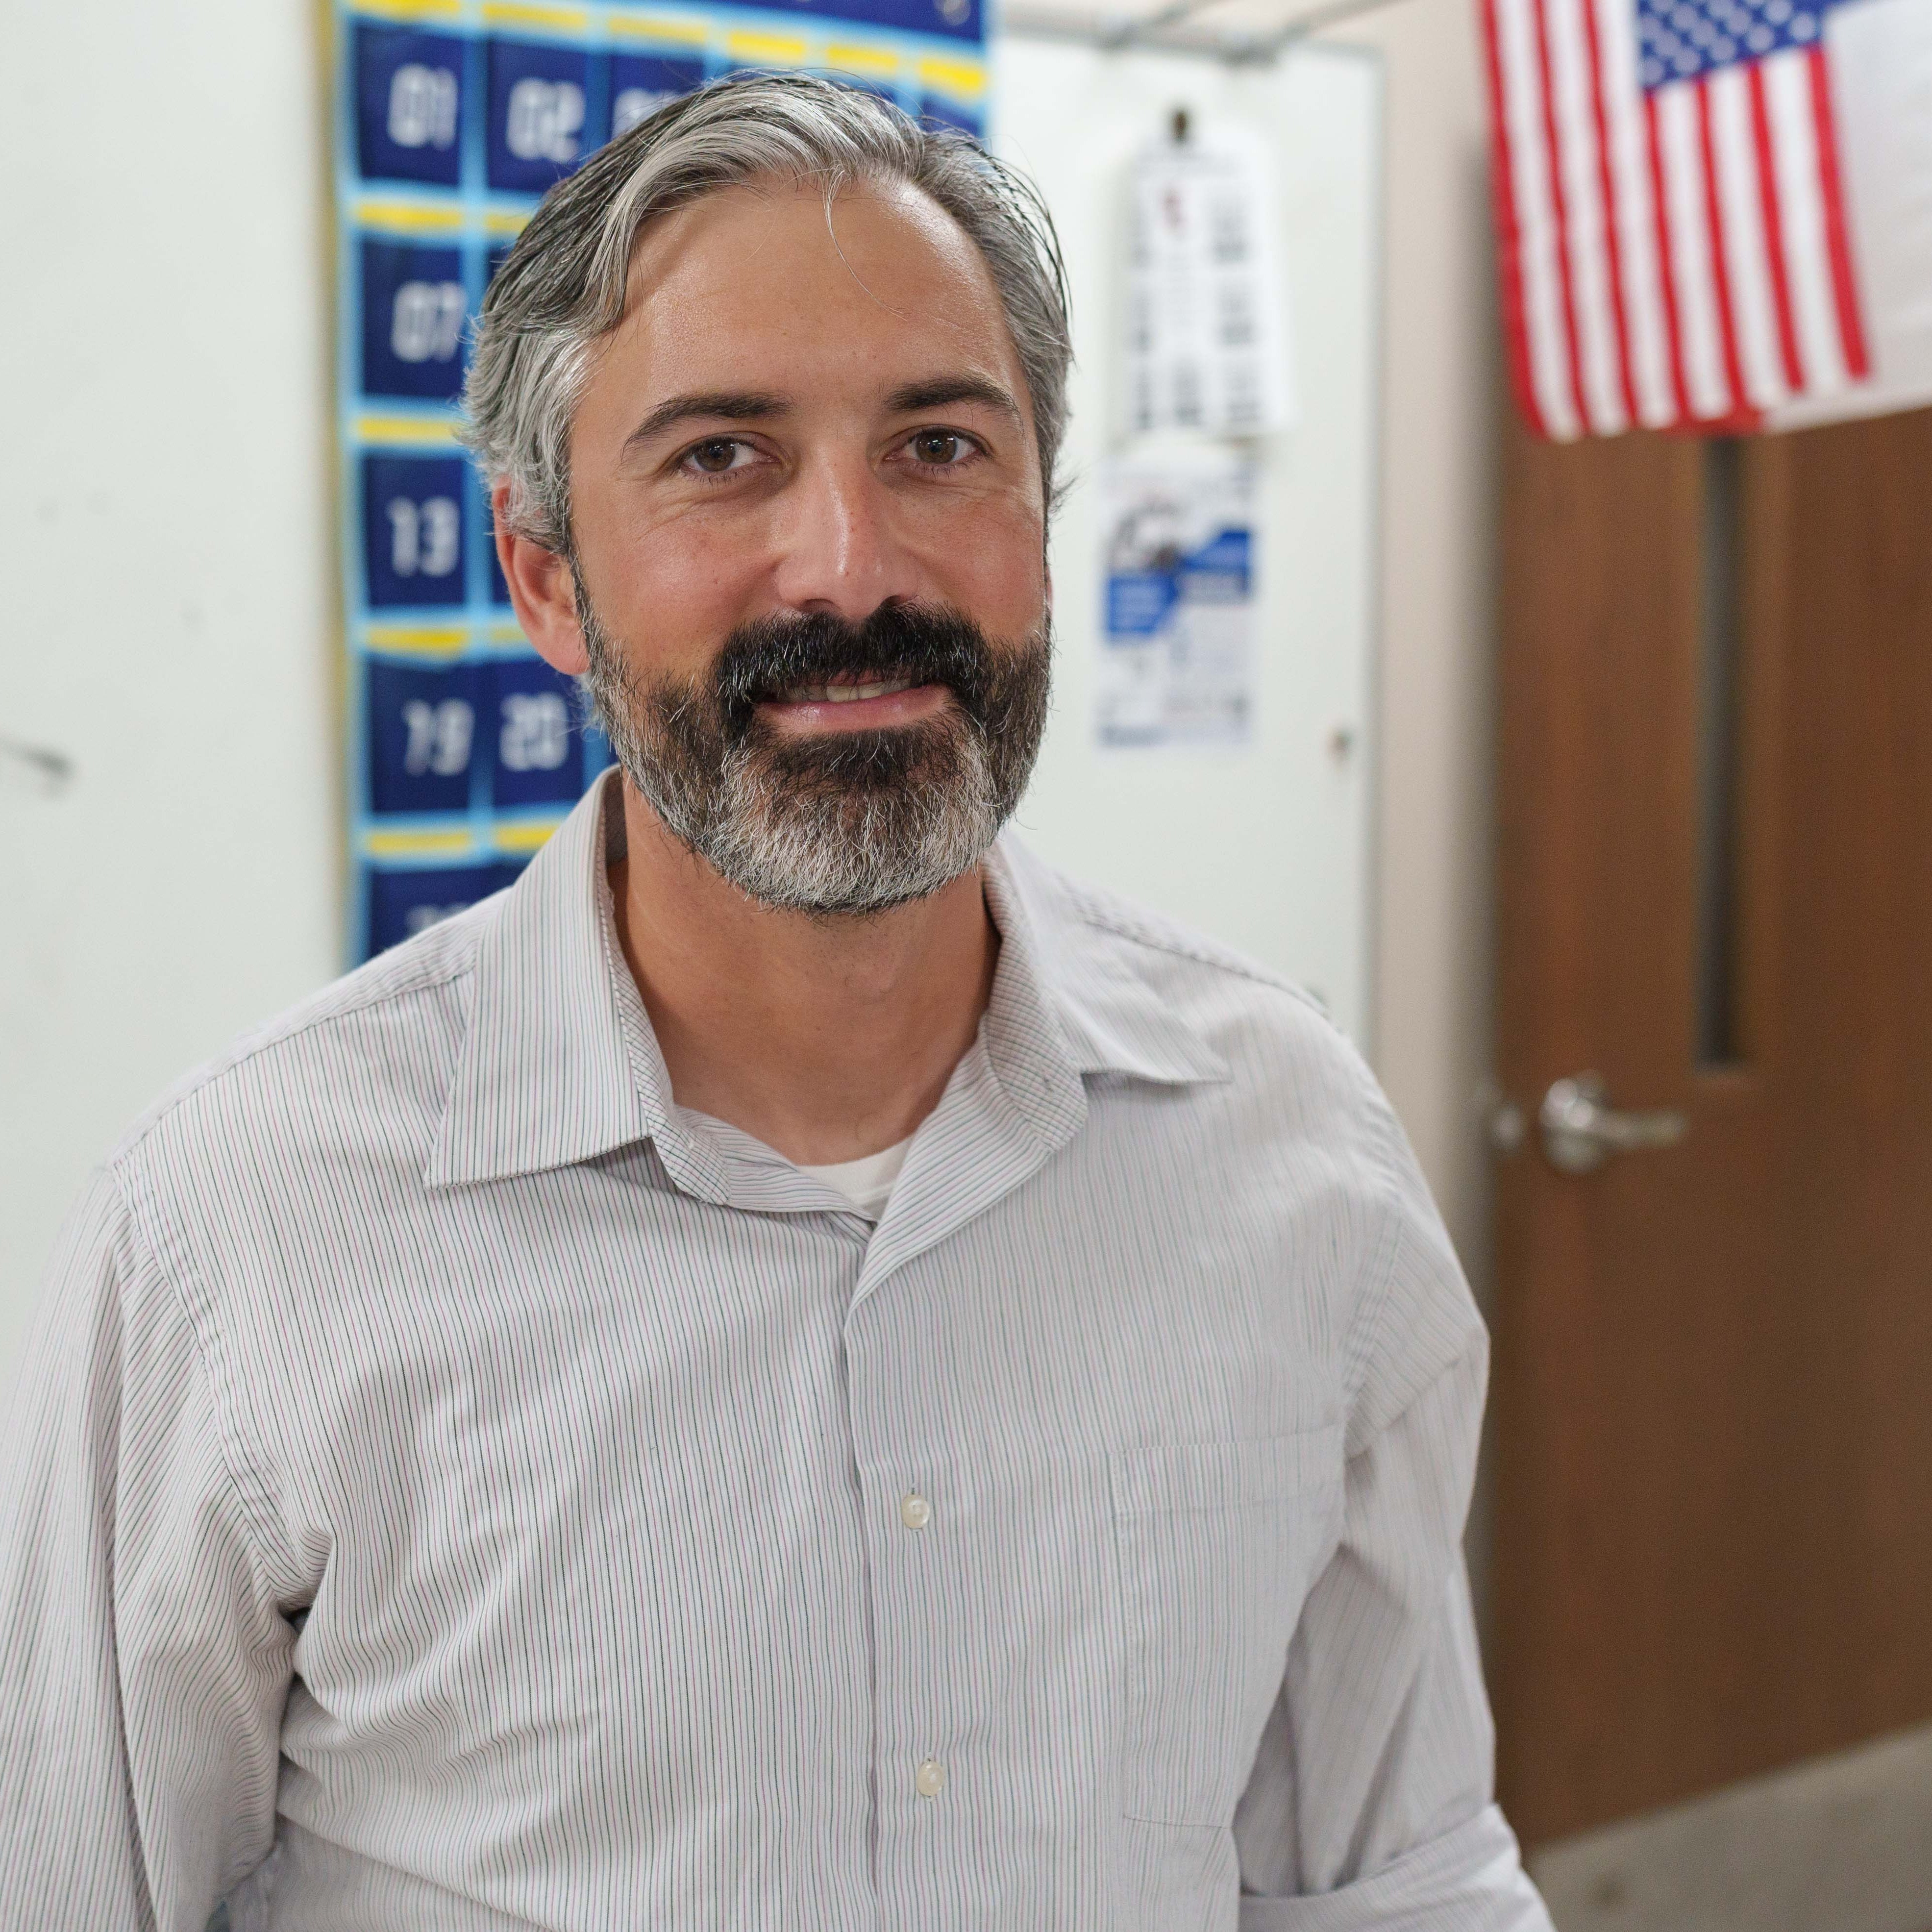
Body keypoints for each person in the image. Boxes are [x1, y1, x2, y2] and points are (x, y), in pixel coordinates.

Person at [0, 74, 1551, 1932]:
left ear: (1043, 520)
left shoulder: (1290, 1149)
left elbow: (1397, 1877)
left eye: (941, 447)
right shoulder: (240, 1228)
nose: (853, 566)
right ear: (545, 580)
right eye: (722, 456)